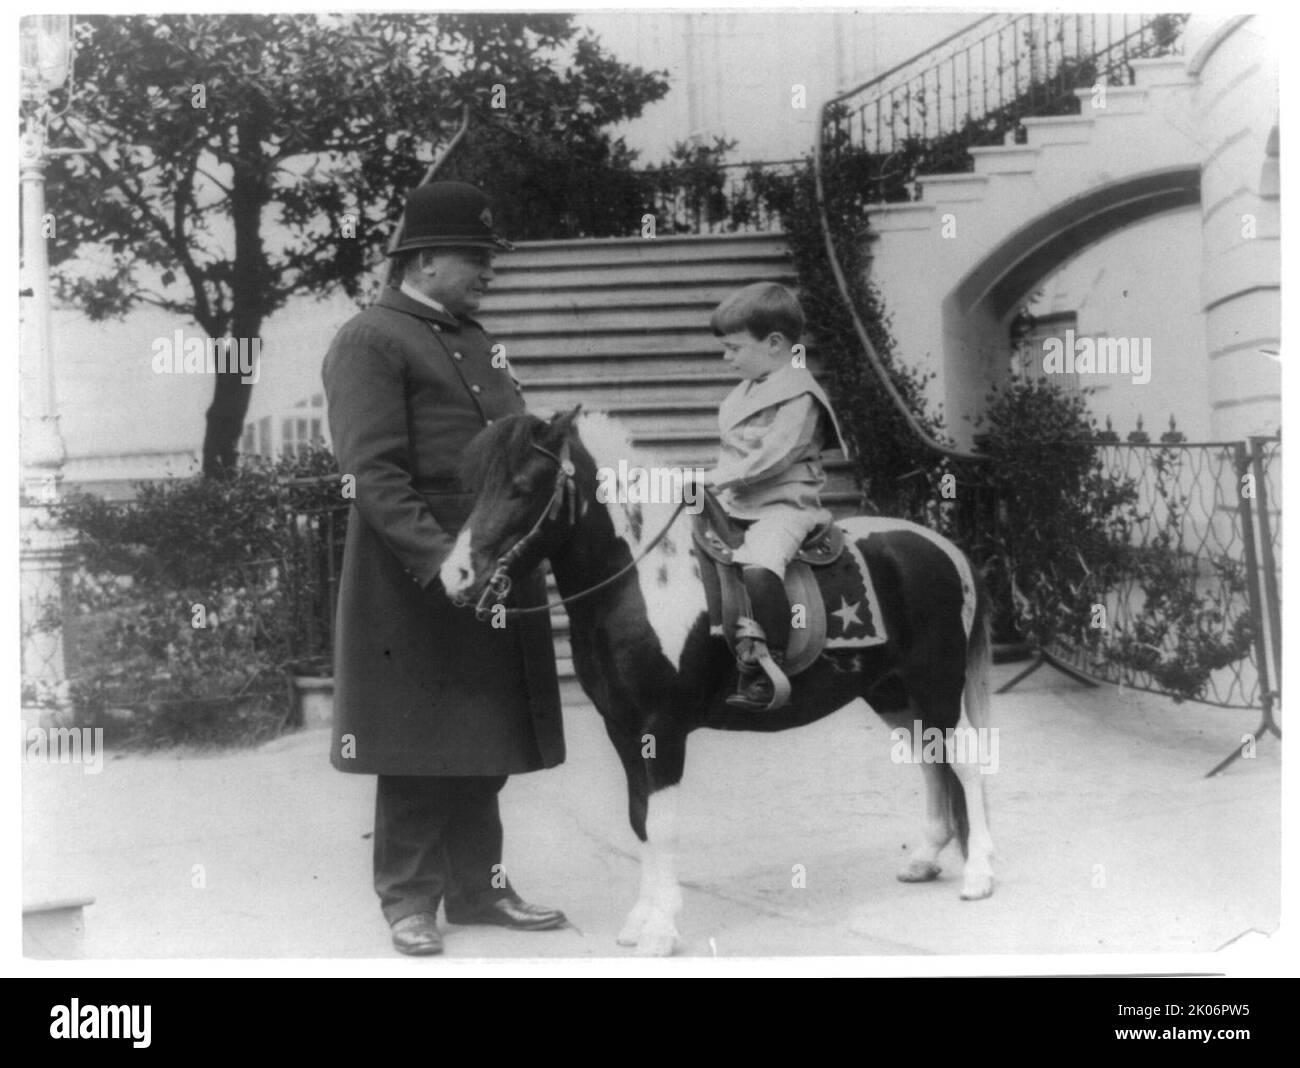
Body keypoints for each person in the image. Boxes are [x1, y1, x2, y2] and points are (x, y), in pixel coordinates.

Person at [322, 181, 566, 956]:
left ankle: (479, 890)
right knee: (418, 744)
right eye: (477, 257)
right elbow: (374, 474)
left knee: (483, 736)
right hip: (416, 574)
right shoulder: (371, 338)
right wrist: (441, 560)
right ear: (424, 258)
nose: (488, 270)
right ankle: (409, 902)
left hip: (493, 561)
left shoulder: (474, 336)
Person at [702, 282, 848, 711]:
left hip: (784, 506)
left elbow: (773, 456)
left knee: (760, 562)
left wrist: (717, 477)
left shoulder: (799, 395)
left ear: (774, 343)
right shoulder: (742, 392)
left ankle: (770, 665)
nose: (726, 358)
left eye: (733, 348)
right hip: (738, 503)